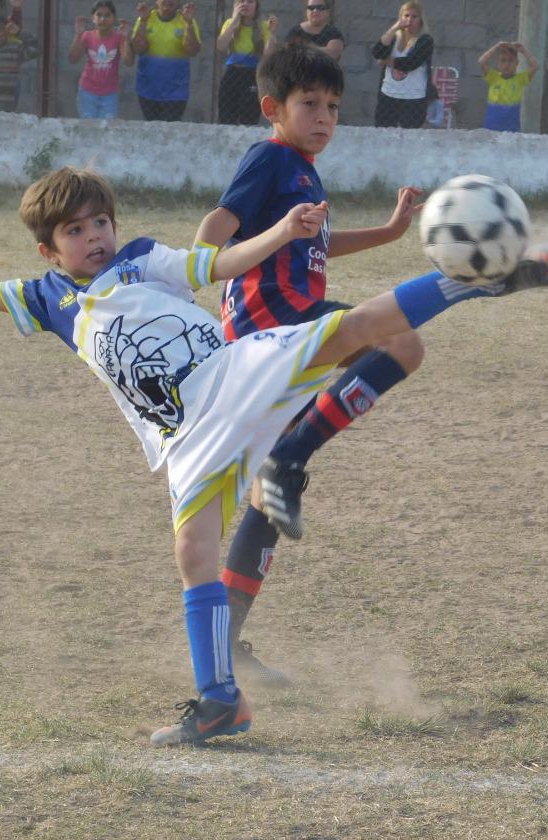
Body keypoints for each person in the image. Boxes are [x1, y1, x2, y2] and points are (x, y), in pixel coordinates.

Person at [0, 166, 548, 747]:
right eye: (75, 231)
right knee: (193, 552)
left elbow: (219, 263)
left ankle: (477, 280)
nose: (94, 237)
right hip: (184, 440)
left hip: (230, 374)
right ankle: (219, 701)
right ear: (50, 251)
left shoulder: (143, 258)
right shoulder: (48, 300)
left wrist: (282, 232)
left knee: (353, 329)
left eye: (99, 222)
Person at [193, 45, 430, 682]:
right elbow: (218, 224)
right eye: (310, 104)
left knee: (271, 500)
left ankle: (226, 644)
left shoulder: (301, 171)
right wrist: (194, 265)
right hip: (275, 324)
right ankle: (290, 456)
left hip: (279, 331)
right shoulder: (270, 158)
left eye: (333, 107)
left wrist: (387, 233)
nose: (324, 116)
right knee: (401, 343)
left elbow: (314, 244)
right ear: (272, 108)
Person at [130, 0, 200, 121]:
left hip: (176, 91)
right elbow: (138, 49)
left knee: (170, 129)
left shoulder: (187, 20)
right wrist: (143, 22)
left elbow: (192, 51)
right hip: (148, 89)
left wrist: (189, 23)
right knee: (151, 128)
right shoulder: (145, 18)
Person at [372, 1, 433, 129]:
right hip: (388, 94)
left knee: (410, 135)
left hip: (413, 97)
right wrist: (394, 28)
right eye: (406, 16)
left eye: (414, 17)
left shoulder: (426, 40)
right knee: (383, 132)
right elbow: (377, 52)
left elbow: (411, 63)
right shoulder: (394, 37)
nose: (409, 20)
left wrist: (386, 61)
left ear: (421, 20)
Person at [216, 0, 276, 125]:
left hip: (252, 73)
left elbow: (268, 55)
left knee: (249, 118)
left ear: (256, 6)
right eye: (241, 1)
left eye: (250, 2)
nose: (245, 5)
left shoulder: (263, 26)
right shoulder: (230, 23)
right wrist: (234, 21)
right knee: (226, 117)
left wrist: (271, 33)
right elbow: (221, 46)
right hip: (232, 73)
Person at [69, 1, 131, 120]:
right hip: (87, 92)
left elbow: (128, 61)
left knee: (107, 127)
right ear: (93, 18)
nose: (103, 19)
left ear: (114, 18)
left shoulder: (119, 37)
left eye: (107, 15)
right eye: (99, 15)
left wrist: (126, 39)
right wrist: (78, 35)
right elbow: (73, 58)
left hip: (110, 94)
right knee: (88, 127)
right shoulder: (87, 36)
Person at [478, 40, 538, 133]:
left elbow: (535, 66)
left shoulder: (520, 79)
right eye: (503, 60)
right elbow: (481, 61)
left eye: (510, 60)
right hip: (491, 127)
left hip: (512, 129)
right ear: (498, 64)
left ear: (516, 63)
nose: (507, 64)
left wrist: (523, 50)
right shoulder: (493, 77)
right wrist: (496, 47)